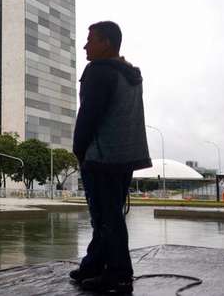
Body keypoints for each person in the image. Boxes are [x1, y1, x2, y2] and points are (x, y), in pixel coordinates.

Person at [69, 21, 152, 294]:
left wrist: (79, 150)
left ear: (106, 43)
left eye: (90, 39)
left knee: (106, 218)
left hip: (102, 156)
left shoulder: (98, 71)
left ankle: (118, 274)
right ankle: (94, 266)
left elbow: (88, 116)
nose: (85, 45)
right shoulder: (130, 75)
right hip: (125, 156)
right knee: (109, 214)